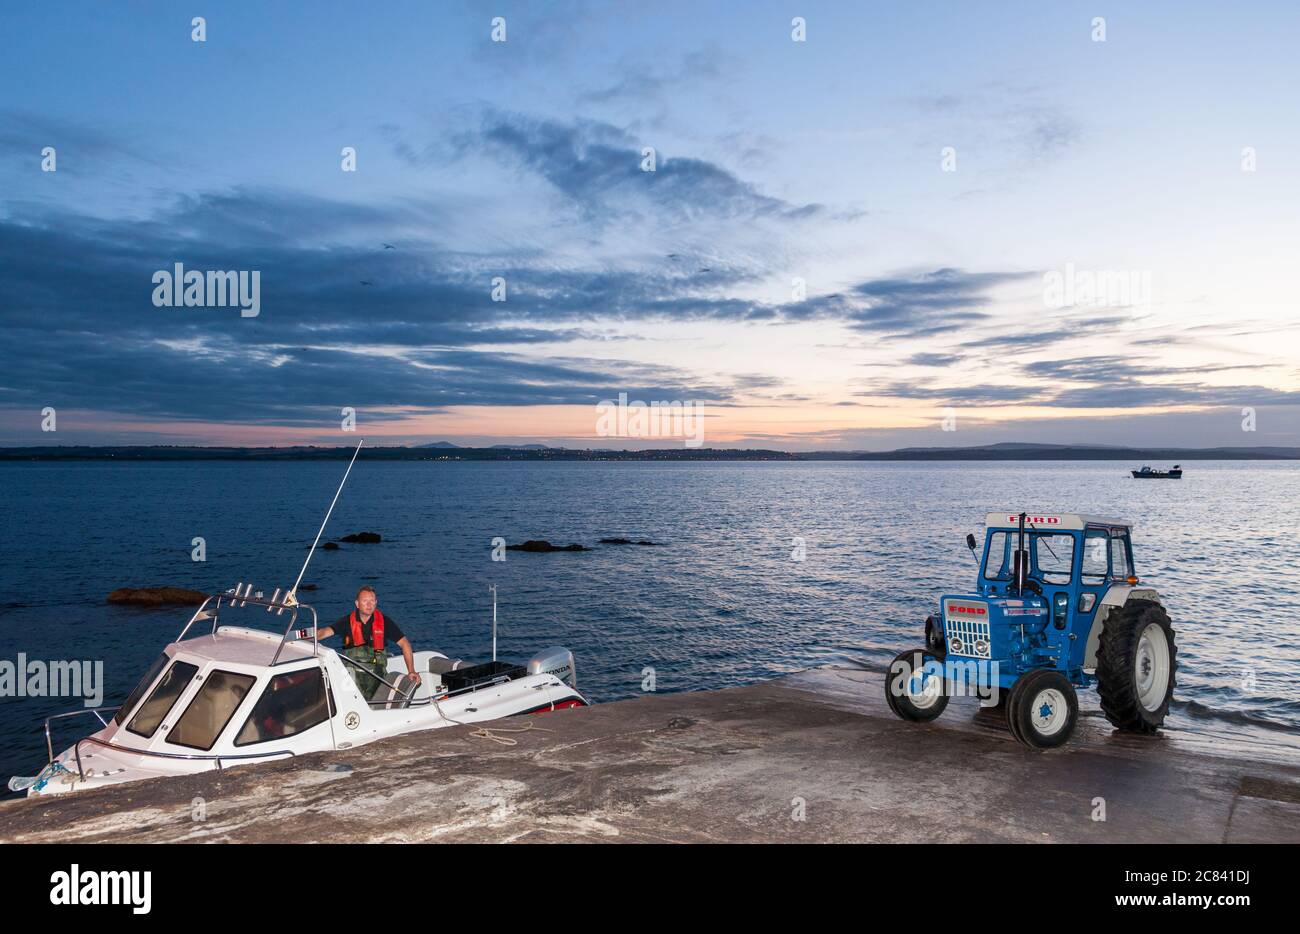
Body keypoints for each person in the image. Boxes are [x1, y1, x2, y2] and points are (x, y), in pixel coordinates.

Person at [316, 586, 418, 700]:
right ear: (357, 603)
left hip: (377, 675)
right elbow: (324, 632)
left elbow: (405, 644)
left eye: (372, 601)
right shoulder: (346, 622)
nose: (369, 605)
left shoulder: (385, 622)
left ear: (376, 602)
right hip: (351, 676)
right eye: (365, 601)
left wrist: (411, 670)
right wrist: (308, 636)